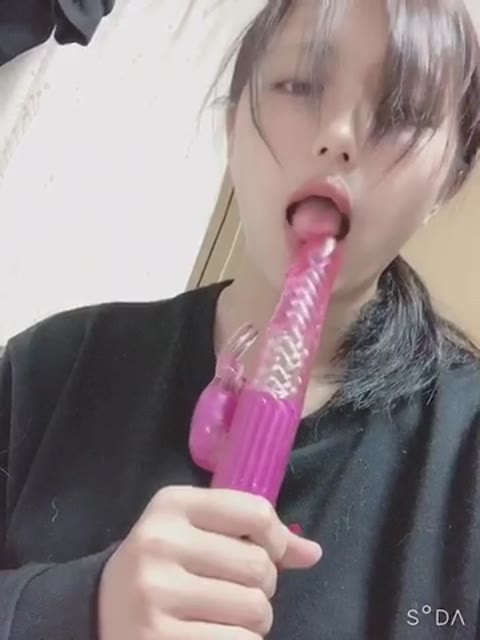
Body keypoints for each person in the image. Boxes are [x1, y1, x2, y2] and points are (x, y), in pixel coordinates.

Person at [1, 0, 479, 638]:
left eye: (402, 113)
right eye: (299, 85)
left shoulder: (465, 450)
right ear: (233, 124)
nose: (339, 135)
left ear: (449, 179)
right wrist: (78, 607)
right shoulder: (51, 368)